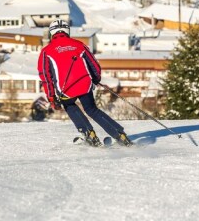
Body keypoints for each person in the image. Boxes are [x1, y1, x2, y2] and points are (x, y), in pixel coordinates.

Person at [37, 19, 133, 147]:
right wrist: (96, 78)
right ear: (67, 31)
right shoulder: (79, 45)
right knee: (92, 110)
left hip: (65, 89)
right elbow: (94, 64)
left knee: (70, 106)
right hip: (84, 84)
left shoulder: (46, 51)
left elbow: (45, 76)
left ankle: (88, 134)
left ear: (51, 33)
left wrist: (51, 96)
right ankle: (119, 134)